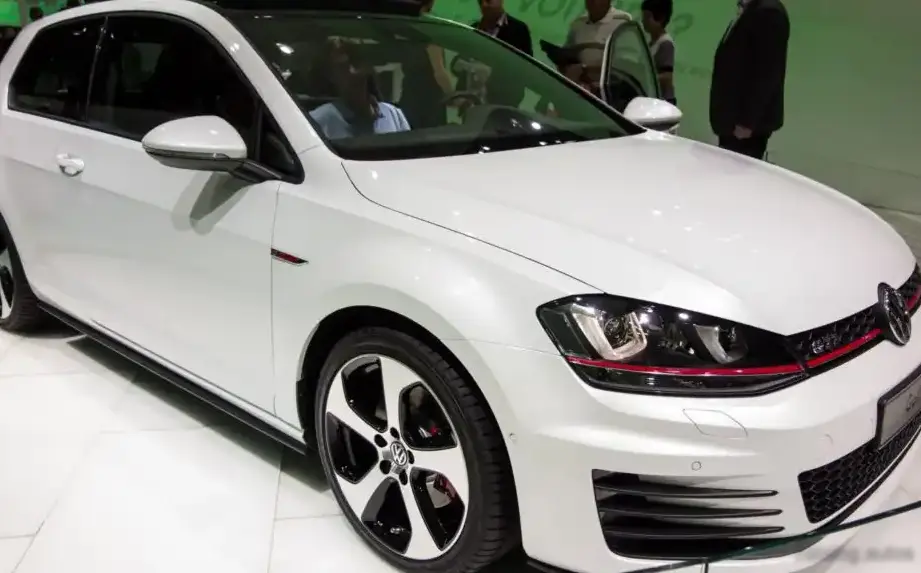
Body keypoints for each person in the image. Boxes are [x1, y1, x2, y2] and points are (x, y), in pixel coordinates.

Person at [709, 0, 790, 160]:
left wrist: (747, 122)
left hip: (744, 130)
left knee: (737, 171)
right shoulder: (751, 9)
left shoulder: (769, 13)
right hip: (733, 124)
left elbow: (767, 73)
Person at [308, 40, 411, 140]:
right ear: (331, 76)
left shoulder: (393, 114)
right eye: (342, 67)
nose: (353, 72)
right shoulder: (317, 122)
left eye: (356, 63)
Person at [399, 0, 454, 128]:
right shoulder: (429, 30)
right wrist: (453, 96)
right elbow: (439, 73)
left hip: (408, 99)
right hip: (430, 103)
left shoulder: (405, 28)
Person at [561, 0, 632, 90]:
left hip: (609, 89)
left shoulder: (622, 22)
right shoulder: (578, 24)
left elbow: (625, 64)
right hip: (579, 87)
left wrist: (586, 69)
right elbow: (567, 54)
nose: (593, 1)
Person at [641, 0, 676, 105]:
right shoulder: (650, 43)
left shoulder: (665, 44)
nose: (643, 21)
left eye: (647, 17)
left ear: (661, 18)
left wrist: (644, 79)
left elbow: (667, 76)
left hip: (664, 102)